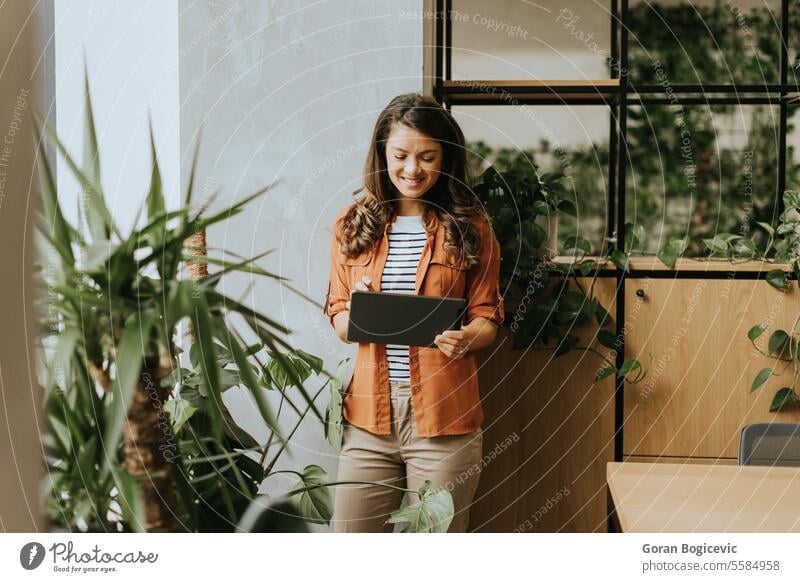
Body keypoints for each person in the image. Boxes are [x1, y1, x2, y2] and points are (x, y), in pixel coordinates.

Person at [323, 93, 504, 532]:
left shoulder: (471, 227)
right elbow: (339, 318)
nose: (412, 170)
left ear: (446, 158)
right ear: (381, 152)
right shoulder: (352, 224)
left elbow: (488, 317)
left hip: (444, 420)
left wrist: (466, 338)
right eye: (400, 155)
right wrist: (364, 311)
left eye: (427, 157)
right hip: (368, 418)